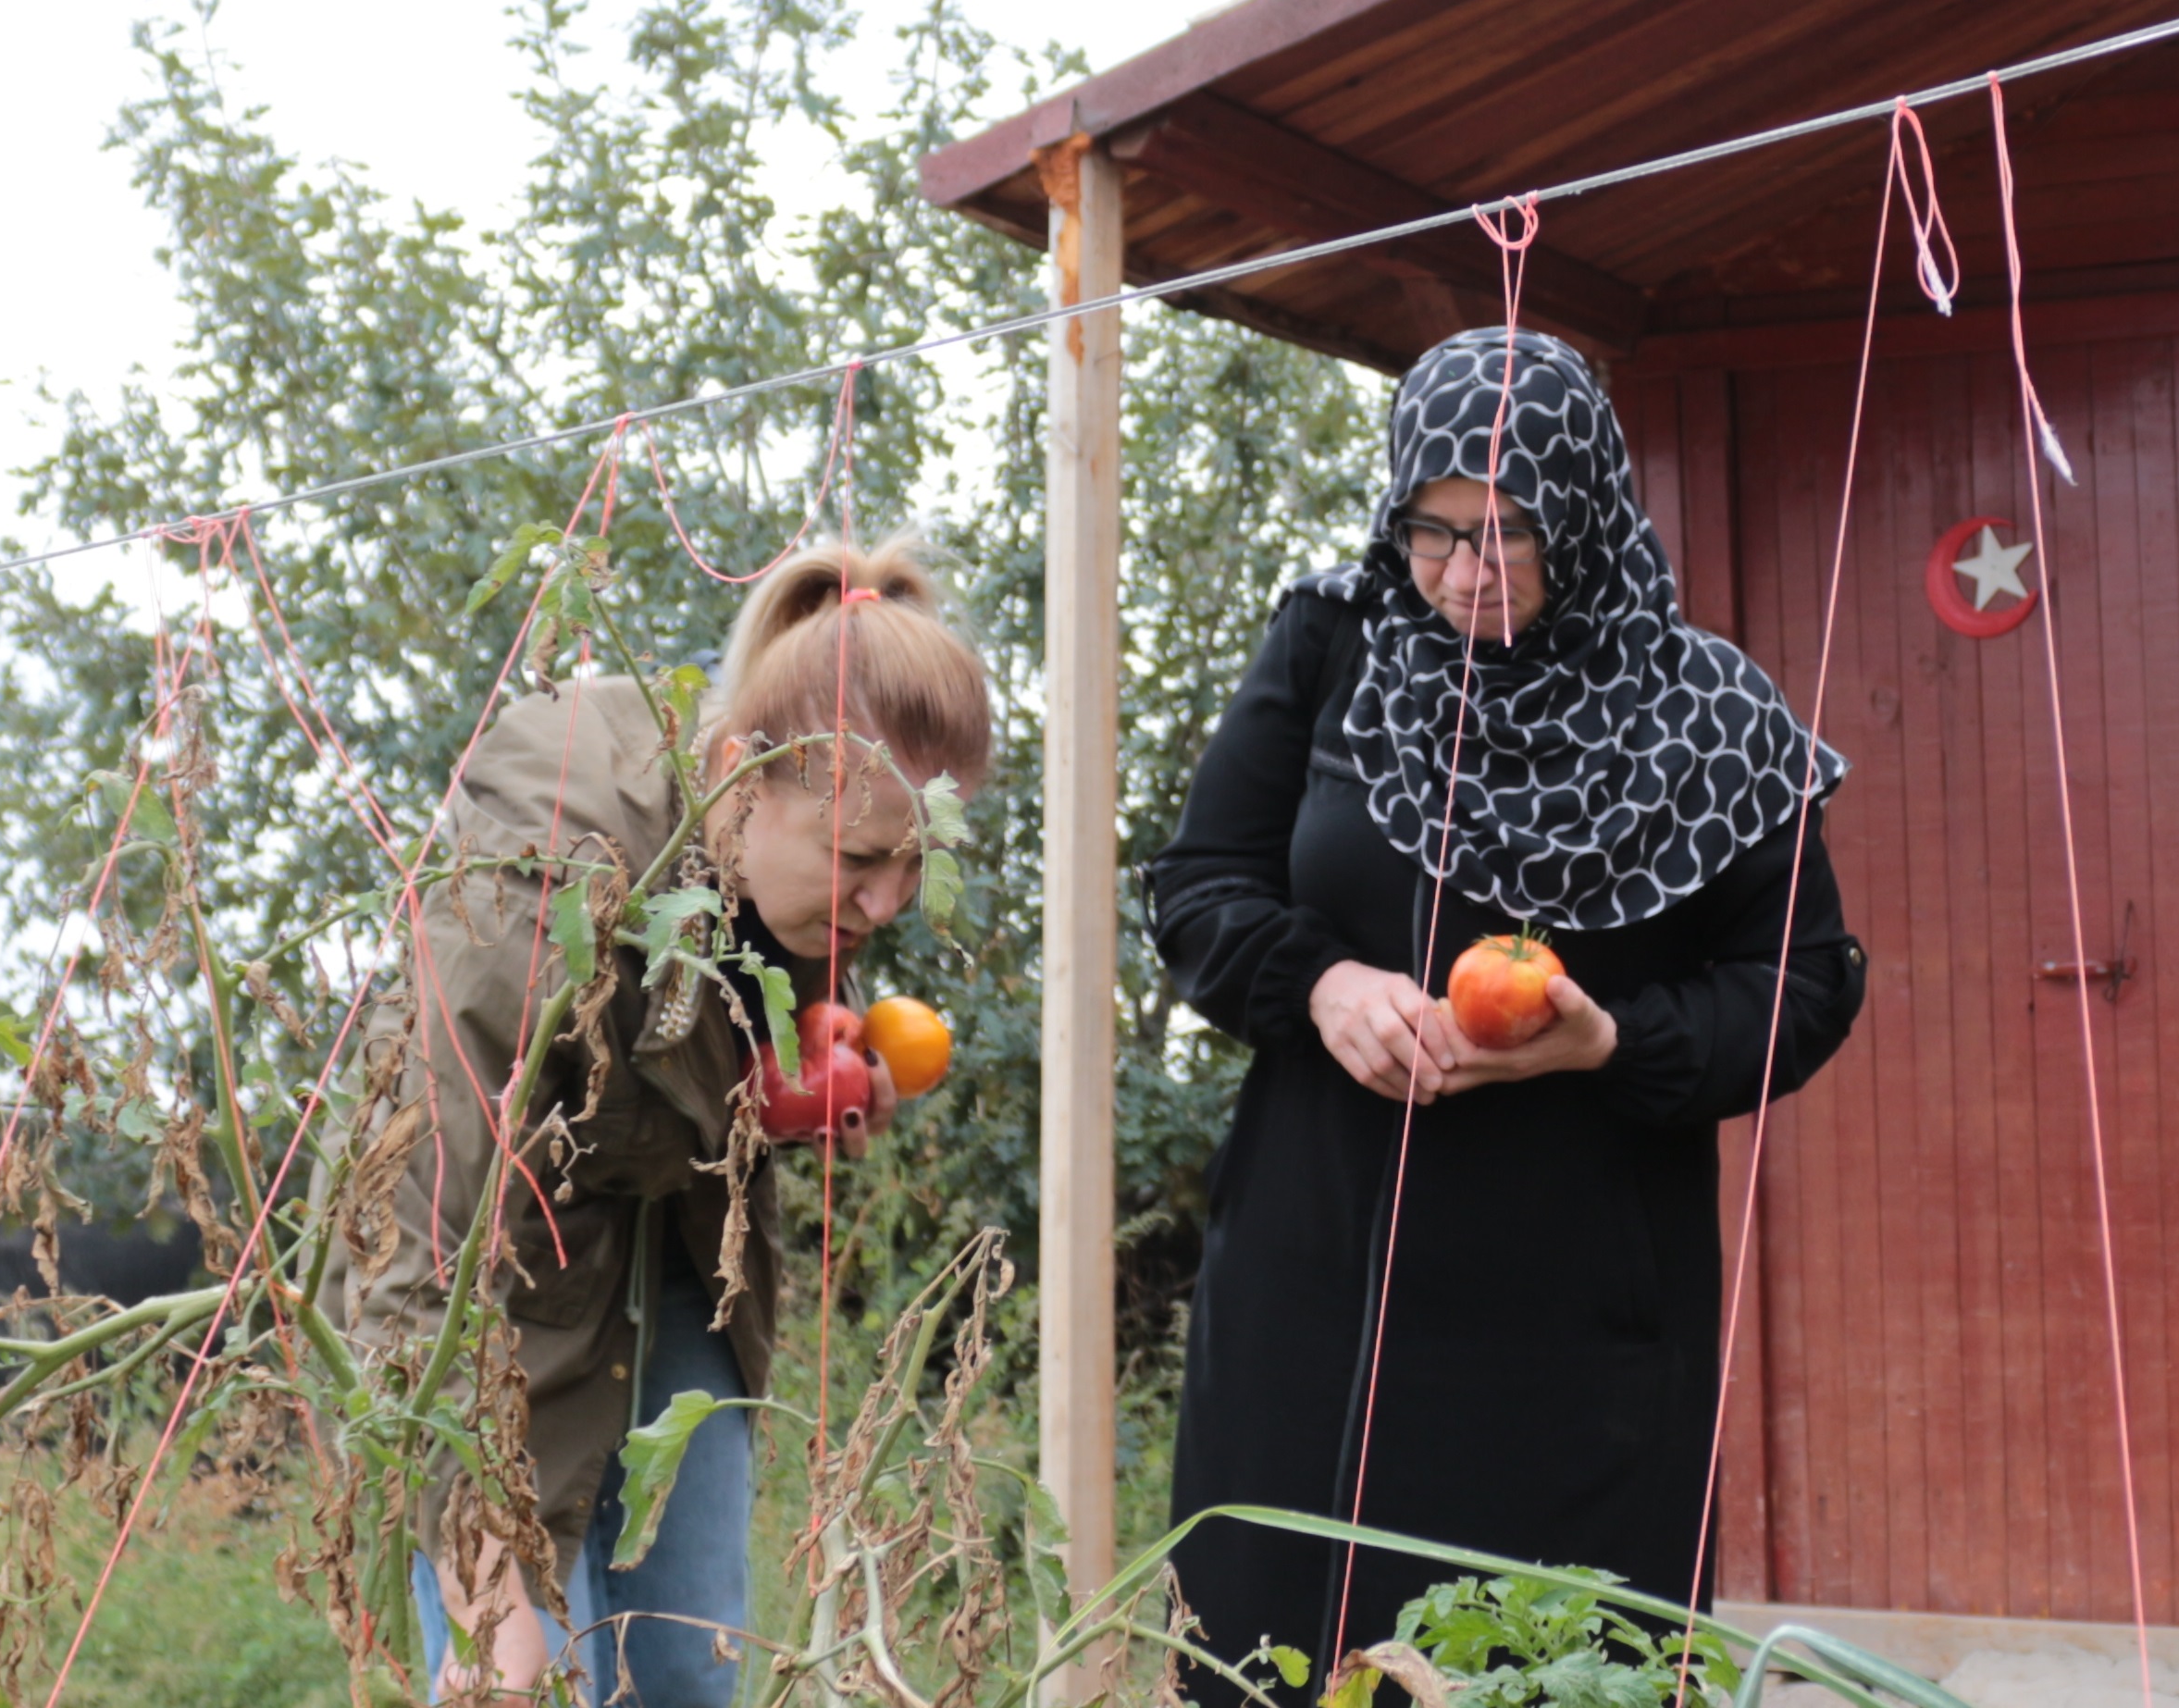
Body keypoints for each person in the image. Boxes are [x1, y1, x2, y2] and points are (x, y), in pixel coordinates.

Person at [1151, 327, 1867, 1686]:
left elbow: (1803, 988)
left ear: (1586, 516)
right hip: (1320, 1293)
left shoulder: (1710, 714)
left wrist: (1612, 1043)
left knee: (1553, 1668)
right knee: (1277, 1661)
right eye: (1435, 530)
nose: (1468, 573)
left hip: (1578, 1321)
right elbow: (1196, 889)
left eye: (1512, 535)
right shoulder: (1332, 640)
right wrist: (1325, 983)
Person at [348, 543, 992, 1706]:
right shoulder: (531, 910)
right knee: (526, 1665)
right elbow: (422, 1251)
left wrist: (781, 1092)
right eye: (858, 858)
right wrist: (489, 1588)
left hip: (679, 1252)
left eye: (916, 860)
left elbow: (694, 1055)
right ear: (742, 778)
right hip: (494, 1284)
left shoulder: (767, 867)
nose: (888, 904)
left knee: (688, 1672)